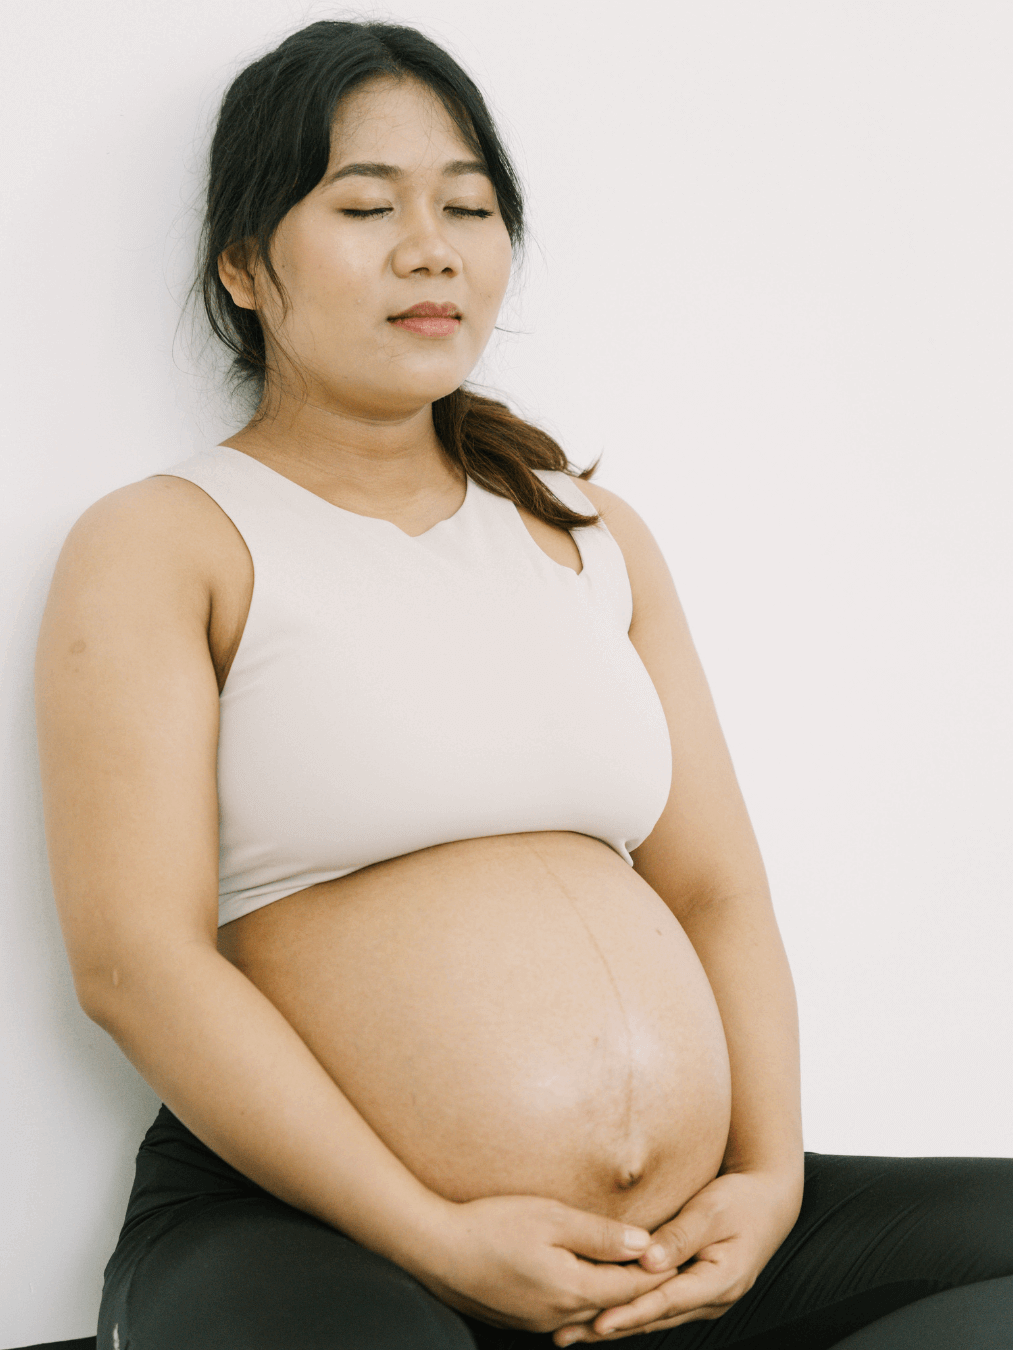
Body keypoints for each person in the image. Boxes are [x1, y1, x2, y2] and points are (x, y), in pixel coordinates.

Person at [34, 19, 1012, 1350]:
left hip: (671, 1244)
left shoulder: (589, 530)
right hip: (312, 1223)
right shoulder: (168, 540)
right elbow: (133, 960)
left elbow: (715, 888)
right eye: (365, 204)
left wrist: (769, 1181)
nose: (430, 244)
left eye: (470, 206)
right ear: (244, 265)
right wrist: (435, 1232)